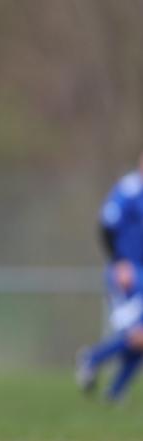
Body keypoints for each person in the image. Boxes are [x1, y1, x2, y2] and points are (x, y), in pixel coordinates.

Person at [77, 153, 143, 401]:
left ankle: (113, 392)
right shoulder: (128, 189)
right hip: (128, 272)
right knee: (138, 335)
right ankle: (93, 359)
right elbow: (106, 226)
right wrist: (119, 263)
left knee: (140, 338)